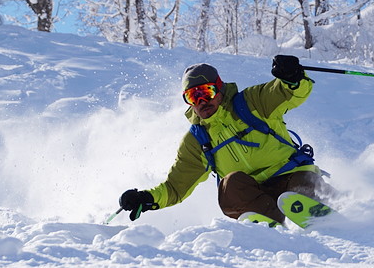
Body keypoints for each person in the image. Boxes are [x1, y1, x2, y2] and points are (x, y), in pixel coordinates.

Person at [118, 54, 331, 224]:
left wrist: (292, 79)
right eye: (193, 97)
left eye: (206, 92)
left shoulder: (251, 102)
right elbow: (176, 187)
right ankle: (269, 223)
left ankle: (328, 208)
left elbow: (286, 92)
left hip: (291, 177)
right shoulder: (197, 140)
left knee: (301, 187)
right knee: (230, 184)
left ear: (219, 89)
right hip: (253, 195)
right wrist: (146, 199)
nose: (202, 101)